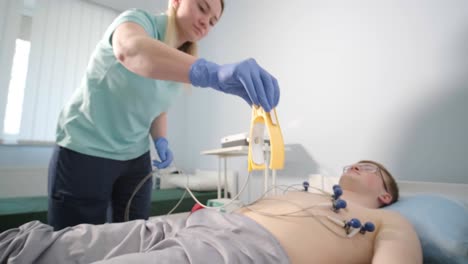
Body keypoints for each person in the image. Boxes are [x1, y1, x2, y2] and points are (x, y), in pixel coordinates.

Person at [48, 0, 280, 230]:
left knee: (134, 236)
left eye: (212, 21)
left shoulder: (179, 58)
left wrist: (161, 140)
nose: (205, 23)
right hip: (86, 149)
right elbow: (130, 50)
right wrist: (212, 73)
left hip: (134, 158)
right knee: (77, 244)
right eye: (201, 8)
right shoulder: (138, 22)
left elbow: (158, 107)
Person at [0, 160, 422, 263]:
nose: (358, 165)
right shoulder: (310, 189)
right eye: (358, 161)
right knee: (61, 243)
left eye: (372, 170)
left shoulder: (392, 221)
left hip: (244, 249)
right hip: (196, 222)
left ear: (385, 195)